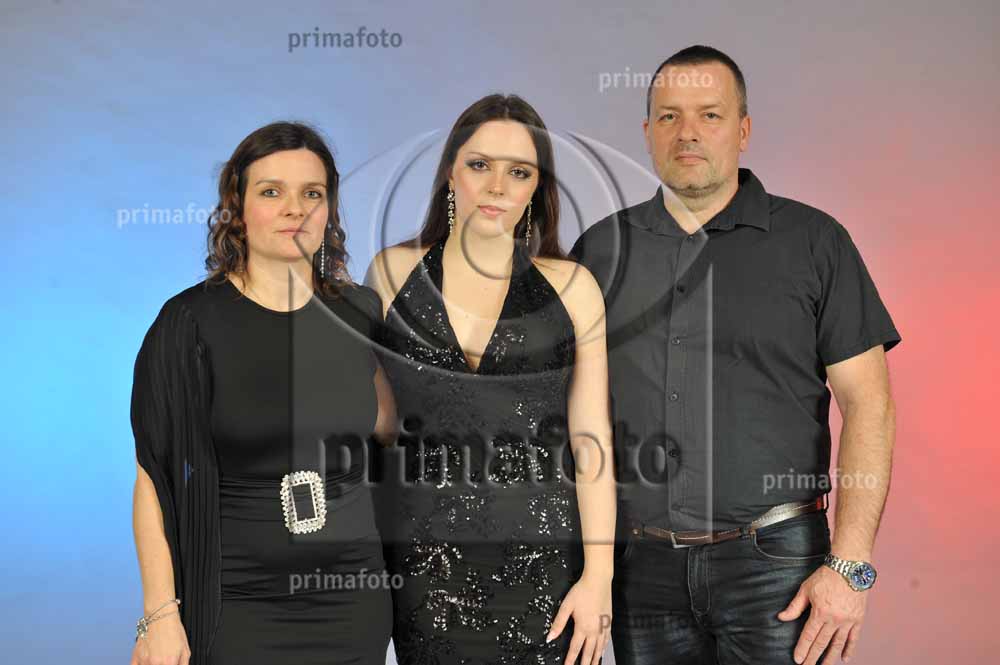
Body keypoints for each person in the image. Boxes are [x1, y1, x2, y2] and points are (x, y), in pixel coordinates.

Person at [569, 46, 900, 665]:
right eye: (669, 116)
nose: (687, 132)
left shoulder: (815, 242)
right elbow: (565, 413)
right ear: (647, 132)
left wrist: (851, 566)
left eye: (710, 115)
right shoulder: (601, 252)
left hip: (778, 566)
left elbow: (869, 406)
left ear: (743, 130)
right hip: (640, 572)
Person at [129, 121, 393, 665]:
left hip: (352, 596)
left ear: (329, 210)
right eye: (272, 192)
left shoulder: (360, 312)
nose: (295, 209)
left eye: (312, 194)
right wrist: (160, 615)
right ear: (238, 209)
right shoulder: (189, 323)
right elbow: (154, 479)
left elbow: (393, 433)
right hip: (236, 598)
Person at [365, 94, 616, 665]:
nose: (498, 186)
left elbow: (592, 440)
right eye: (480, 165)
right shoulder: (391, 273)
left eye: (519, 172)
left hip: (546, 568)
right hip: (424, 566)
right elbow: (381, 426)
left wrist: (598, 577)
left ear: (536, 187)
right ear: (450, 172)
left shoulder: (573, 287)